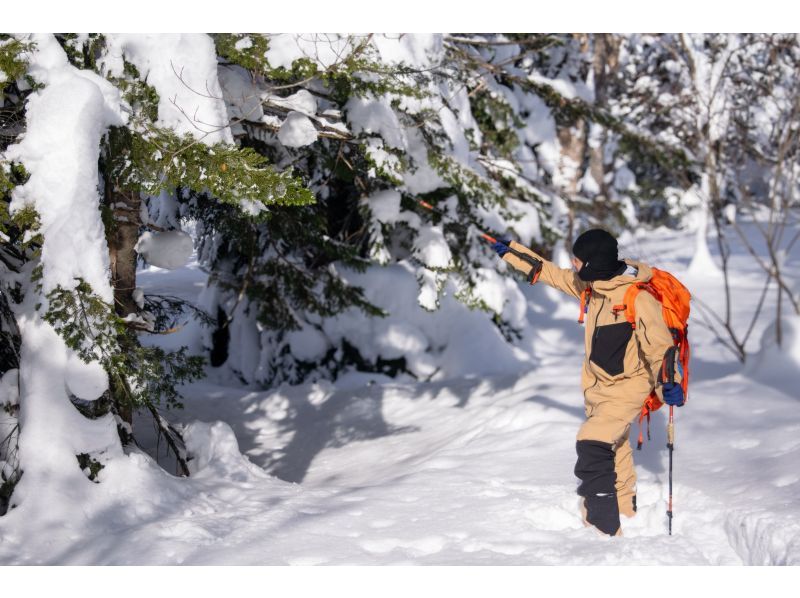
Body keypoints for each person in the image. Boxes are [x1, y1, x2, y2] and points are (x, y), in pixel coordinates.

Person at [492, 229, 685, 537]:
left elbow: (661, 349)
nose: (572, 264)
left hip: (628, 386)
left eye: (577, 260)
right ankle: (625, 507)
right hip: (597, 387)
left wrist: (670, 385)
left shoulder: (638, 298)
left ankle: (601, 525)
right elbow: (551, 274)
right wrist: (510, 251)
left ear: (594, 264)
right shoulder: (593, 286)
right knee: (616, 445)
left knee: (592, 443)